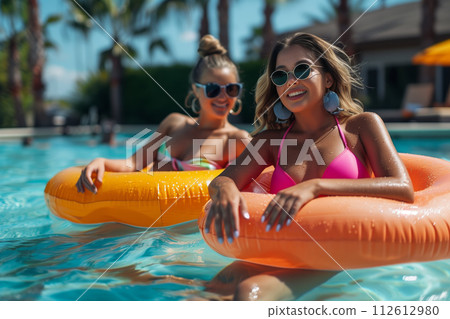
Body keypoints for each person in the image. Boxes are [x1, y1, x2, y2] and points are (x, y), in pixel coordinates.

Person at [205, 32, 414, 300]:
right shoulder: (270, 141)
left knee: (249, 293)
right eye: (281, 75)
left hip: (345, 248)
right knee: (211, 293)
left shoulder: (361, 126)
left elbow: (403, 187)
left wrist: (315, 187)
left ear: (328, 78)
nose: (291, 81)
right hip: (286, 248)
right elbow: (224, 179)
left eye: (302, 70)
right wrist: (225, 191)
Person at [77, 35, 250, 194]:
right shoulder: (173, 124)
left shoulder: (237, 139)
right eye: (213, 89)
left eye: (231, 89)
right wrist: (102, 162)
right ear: (197, 90)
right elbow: (133, 164)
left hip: (187, 226)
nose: (223, 97)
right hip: (146, 218)